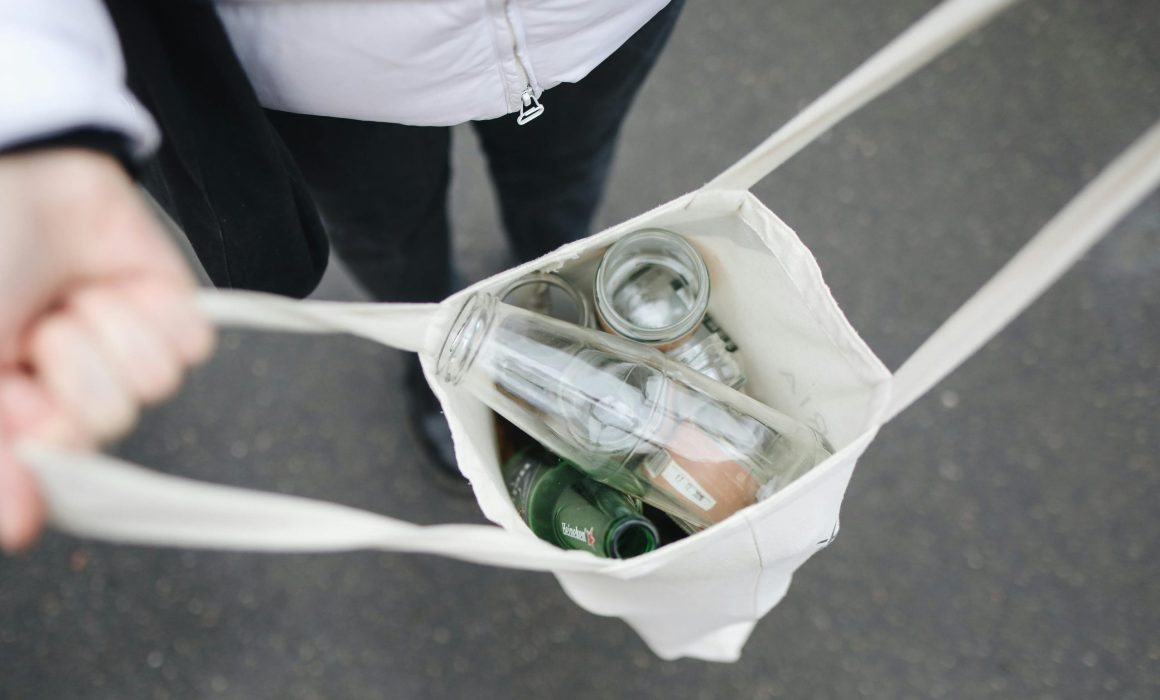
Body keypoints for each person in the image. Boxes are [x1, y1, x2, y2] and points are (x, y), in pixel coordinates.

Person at [0, 0, 684, 551]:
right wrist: (36, 110)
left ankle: (561, 309)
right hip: (325, 64)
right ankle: (433, 351)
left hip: (595, 21)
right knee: (392, 241)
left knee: (563, 194)